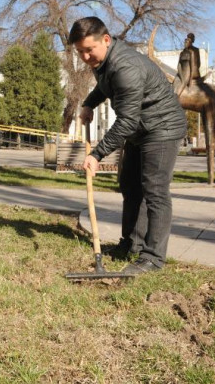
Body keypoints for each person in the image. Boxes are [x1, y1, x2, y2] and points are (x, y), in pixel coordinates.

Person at [69, 17, 187, 275]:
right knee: (130, 186)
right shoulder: (104, 62)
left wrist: (97, 153)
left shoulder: (126, 67)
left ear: (106, 40)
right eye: (80, 52)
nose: (86, 56)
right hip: (140, 129)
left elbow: (127, 121)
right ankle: (132, 245)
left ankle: (153, 258)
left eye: (90, 49)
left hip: (161, 128)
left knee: (154, 190)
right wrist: (90, 102)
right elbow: (105, 86)